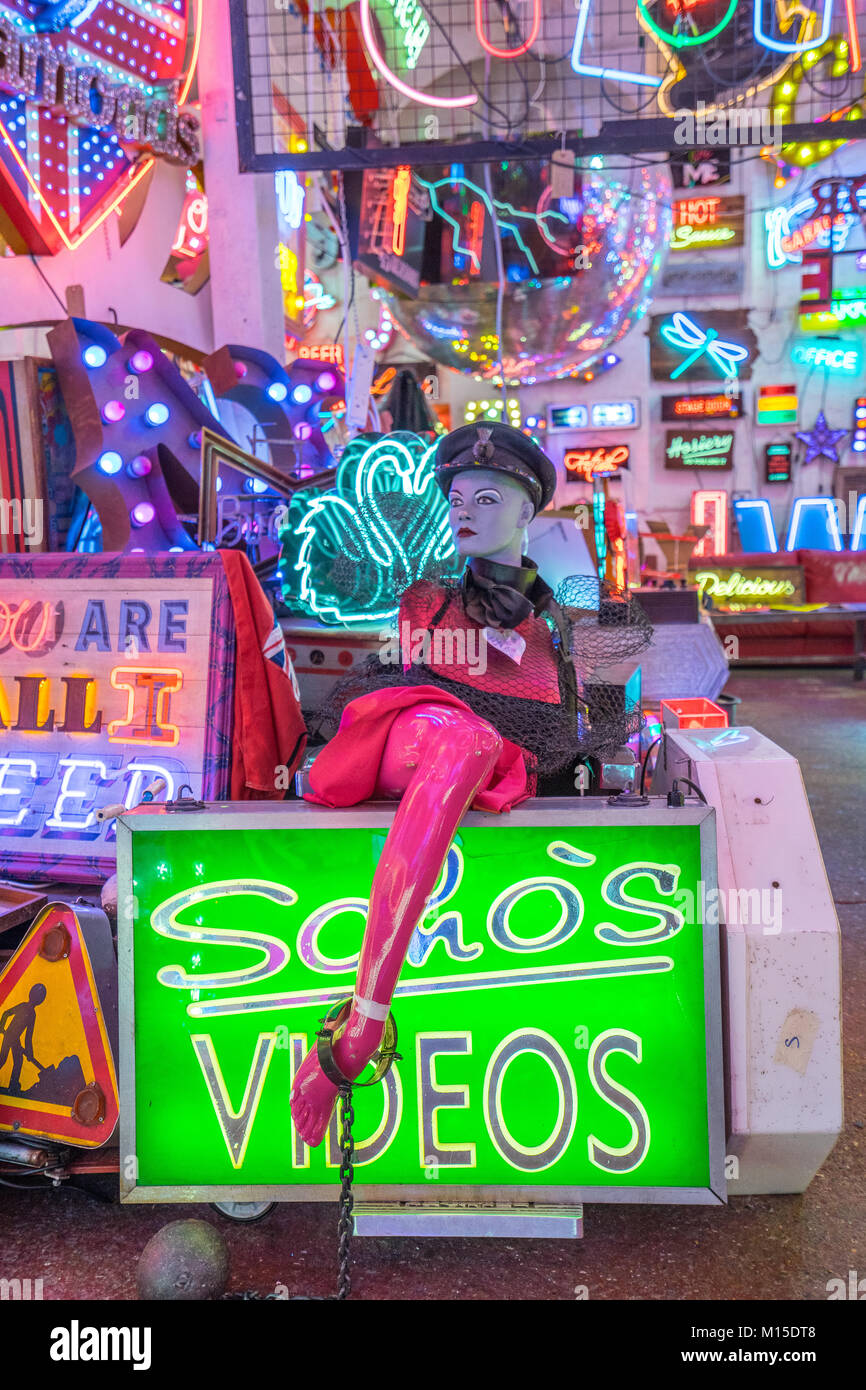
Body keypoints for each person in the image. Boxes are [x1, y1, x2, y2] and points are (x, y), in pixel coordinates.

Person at [290, 424, 648, 1146]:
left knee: (478, 744)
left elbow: (590, 741)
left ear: (528, 512)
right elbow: (415, 688)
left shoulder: (567, 623)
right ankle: (365, 1017)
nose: (465, 511)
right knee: (465, 738)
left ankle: (377, 1019)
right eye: (456, 498)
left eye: (488, 498)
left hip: (502, 782)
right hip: (423, 739)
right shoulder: (427, 602)